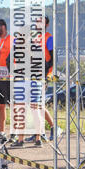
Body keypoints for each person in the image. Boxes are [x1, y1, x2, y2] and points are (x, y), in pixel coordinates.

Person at [22, 16, 63, 145]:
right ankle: (41, 132)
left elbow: (53, 59)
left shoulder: (48, 38)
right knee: (35, 106)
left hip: (44, 75)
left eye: (41, 21)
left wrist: (47, 76)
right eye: (36, 21)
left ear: (47, 24)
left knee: (37, 105)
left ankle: (48, 129)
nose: (38, 24)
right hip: (33, 74)